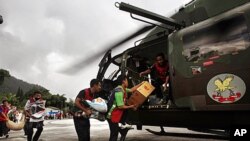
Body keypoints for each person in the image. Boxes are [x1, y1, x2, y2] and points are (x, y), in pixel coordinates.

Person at [107, 75, 141, 141]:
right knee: (114, 134)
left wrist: (141, 84)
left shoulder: (123, 89)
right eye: (127, 80)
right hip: (111, 115)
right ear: (123, 81)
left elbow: (131, 90)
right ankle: (123, 128)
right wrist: (132, 106)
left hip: (115, 115)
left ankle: (123, 127)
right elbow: (120, 106)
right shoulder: (119, 91)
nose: (127, 82)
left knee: (115, 132)